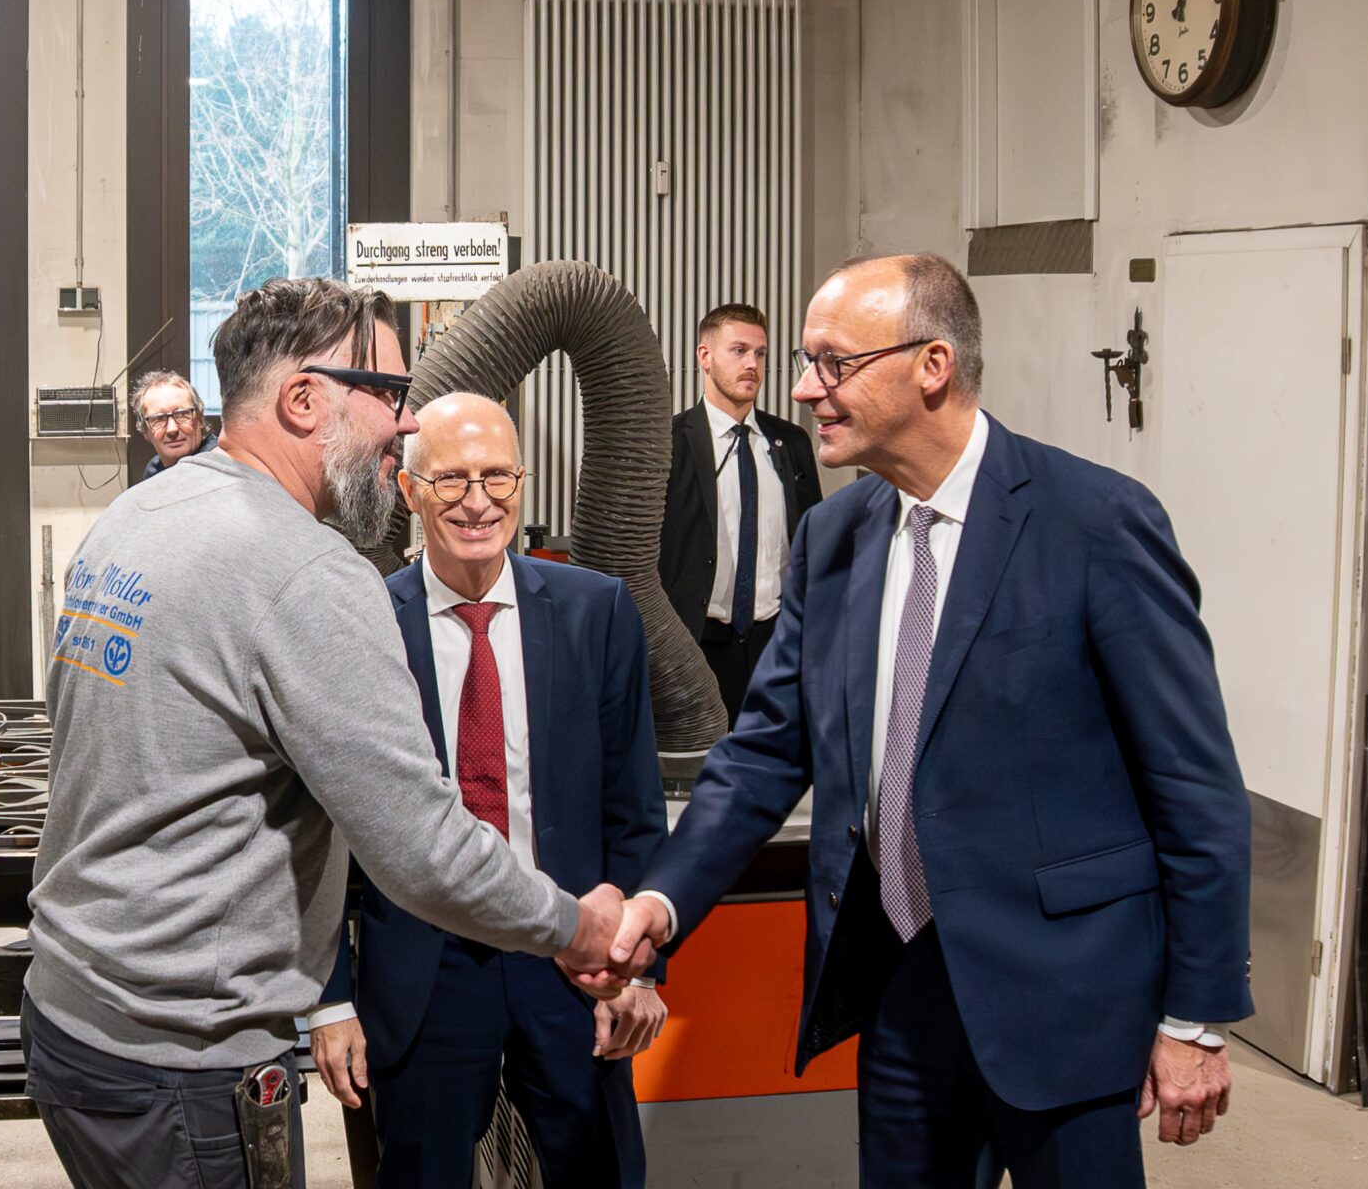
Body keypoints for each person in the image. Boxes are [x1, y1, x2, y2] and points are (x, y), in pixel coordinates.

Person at [600, 255, 1253, 1187]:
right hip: (899, 982)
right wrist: (659, 906)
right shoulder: (837, 539)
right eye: (803, 360)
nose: (800, 387)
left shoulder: (1094, 523)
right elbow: (761, 757)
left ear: (932, 365)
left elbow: (1195, 790)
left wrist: (1194, 1019)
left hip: (1064, 995)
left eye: (831, 363)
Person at [22, 279, 626, 1189]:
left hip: (74, 1014)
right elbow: (420, 848)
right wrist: (576, 926)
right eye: (385, 393)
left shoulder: (137, 516)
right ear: (305, 400)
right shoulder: (306, 572)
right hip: (180, 1051)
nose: (405, 425)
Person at [313, 393, 667, 1188]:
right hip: (426, 972)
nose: (478, 502)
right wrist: (331, 999)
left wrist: (638, 969)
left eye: (498, 477)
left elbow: (633, 810)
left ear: (522, 484)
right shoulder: (366, 622)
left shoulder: (595, 613)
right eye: (452, 480)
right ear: (408, 491)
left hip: (573, 961)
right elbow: (326, 830)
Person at [658, 303, 821, 725]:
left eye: (760, 353)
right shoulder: (668, 445)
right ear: (704, 357)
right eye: (739, 351)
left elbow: (810, 541)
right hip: (697, 644)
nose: (752, 364)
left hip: (775, 643)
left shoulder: (792, 443)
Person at [132, 369, 217, 477]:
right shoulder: (154, 470)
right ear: (145, 431)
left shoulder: (220, 463)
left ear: (199, 419)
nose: (172, 429)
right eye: (159, 419)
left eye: (182, 415)